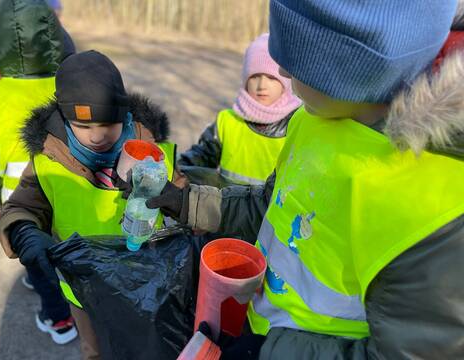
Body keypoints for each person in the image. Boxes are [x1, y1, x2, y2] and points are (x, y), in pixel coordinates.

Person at [147, 0, 464, 358]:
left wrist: (273, 349)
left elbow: (412, 351)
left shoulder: (436, 197)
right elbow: (273, 207)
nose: (281, 70)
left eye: (299, 61)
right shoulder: (316, 118)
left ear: (350, 70)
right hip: (263, 326)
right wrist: (191, 203)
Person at [0, 50, 180, 359]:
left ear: (123, 115)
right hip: (83, 286)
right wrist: (23, 232)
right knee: (93, 350)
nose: (97, 137)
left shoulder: (152, 150)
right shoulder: (48, 161)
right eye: (84, 126)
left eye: (108, 123)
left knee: (144, 347)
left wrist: (187, 206)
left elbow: (185, 200)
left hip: (143, 282)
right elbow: (20, 208)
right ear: (65, 120)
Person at [0, 0, 77, 345]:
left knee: (37, 261)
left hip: (21, 205)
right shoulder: (65, 84)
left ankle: (61, 319)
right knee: (61, 248)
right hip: (66, 192)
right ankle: (70, 298)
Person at [178, 33, 301, 186]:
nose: (262, 85)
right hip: (227, 208)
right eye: (255, 76)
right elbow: (199, 158)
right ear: (245, 80)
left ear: (286, 82)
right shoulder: (227, 121)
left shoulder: (298, 125)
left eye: (271, 78)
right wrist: (174, 169)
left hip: (272, 210)